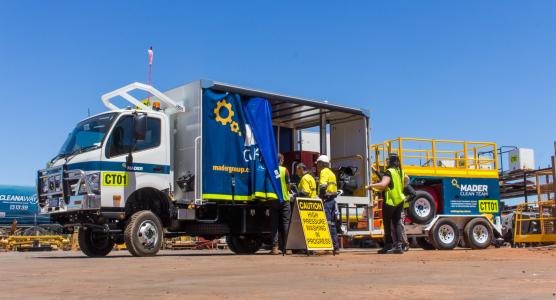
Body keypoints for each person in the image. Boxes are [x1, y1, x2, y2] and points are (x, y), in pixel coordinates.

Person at [367, 153, 409, 254]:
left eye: (388, 161)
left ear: (390, 162)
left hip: (390, 201)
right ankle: (399, 246)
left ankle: (388, 245)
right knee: (397, 223)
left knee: (387, 223)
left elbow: (383, 184)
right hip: (399, 201)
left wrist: (370, 185)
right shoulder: (401, 171)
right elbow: (407, 179)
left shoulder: (389, 172)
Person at [316, 155, 340, 255]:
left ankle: (328, 246)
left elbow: (323, 185)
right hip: (332, 200)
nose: (317, 166)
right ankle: (335, 247)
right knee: (332, 224)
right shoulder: (331, 173)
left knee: (326, 223)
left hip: (326, 200)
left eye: (318, 164)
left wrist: (320, 197)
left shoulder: (324, 171)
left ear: (321, 163)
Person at [271, 153, 292, 255]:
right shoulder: (285, 170)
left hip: (274, 199)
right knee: (286, 223)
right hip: (284, 199)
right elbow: (288, 186)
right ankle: (287, 248)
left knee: (274, 224)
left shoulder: (272, 170)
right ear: (282, 160)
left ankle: (275, 248)